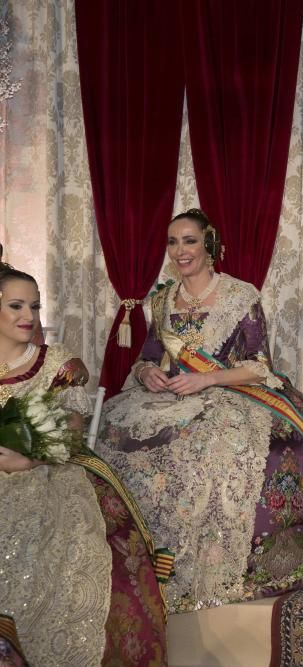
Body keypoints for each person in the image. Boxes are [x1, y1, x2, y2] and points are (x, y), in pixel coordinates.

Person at [95, 209, 303, 613]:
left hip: (229, 391)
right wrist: (148, 372)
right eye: (173, 242)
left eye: (189, 241)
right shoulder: (163, 299)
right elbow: (148, 354)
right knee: (112, 430)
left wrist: (205, 380)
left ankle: (206, 559)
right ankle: (137, 556)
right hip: (172, 394)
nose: (180, 251)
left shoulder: (240, 296)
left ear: (209, 245)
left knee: (206, 441)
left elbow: (259, 366)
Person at [0, 264, 167, 666]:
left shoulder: (55, 362)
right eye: (16, 306)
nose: (29, 317)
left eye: (35, 307)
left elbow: (72, 433)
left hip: (50, 471)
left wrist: (28, 459)